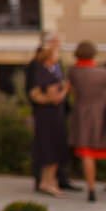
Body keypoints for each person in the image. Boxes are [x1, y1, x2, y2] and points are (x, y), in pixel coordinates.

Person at [66, 41, 106, 202]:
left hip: (83, 115)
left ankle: (91, 189)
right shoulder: (103, 72)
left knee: (87, 152)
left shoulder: (73, 72)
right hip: (102, 115)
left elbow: (70, 90)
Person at [28, 42, 69, 197]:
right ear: (49, 58)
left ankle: (47, 182)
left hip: (45, 116)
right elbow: (56, 99)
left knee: (48, 149)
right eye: (55, 54)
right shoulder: (48, 76)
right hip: (51, 117)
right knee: (52, 149)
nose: (58, 57)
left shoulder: (41, 72)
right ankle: (49, 182)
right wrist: (65, 89)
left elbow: (35, 93)